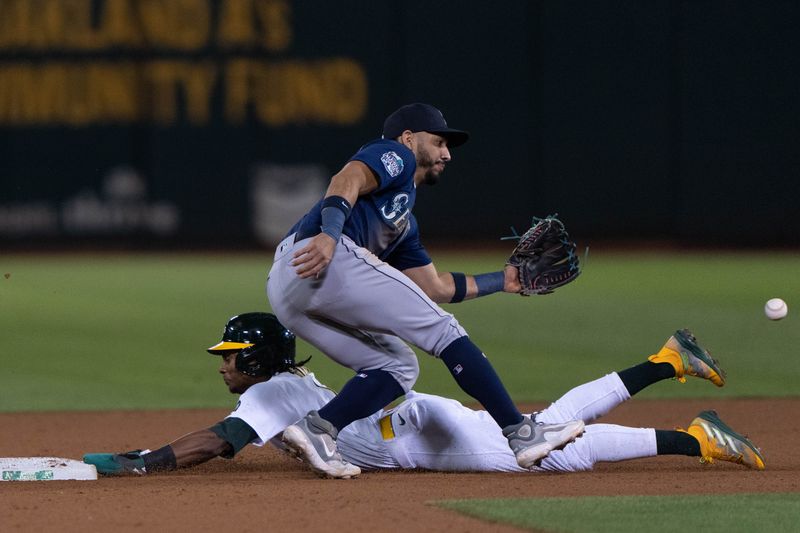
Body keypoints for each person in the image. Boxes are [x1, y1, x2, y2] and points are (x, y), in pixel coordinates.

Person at [266, 103, 583, 479]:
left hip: (291, 290)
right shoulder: (395, 154)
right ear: (408, 138)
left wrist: (506, 280)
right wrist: (330, 236)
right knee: (444, 331)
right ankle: (521, 433)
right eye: (439, 142)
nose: (447, 153)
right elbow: (345, 178)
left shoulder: (402, 223)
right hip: (322, 257)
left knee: (398, 365)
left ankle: (318, 430)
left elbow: (435, 287)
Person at [83, 313, 765, 477]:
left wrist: (144, 462)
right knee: (545, 427)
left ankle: (691, 427)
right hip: (410, 423)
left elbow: (220, 439)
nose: (225, 366)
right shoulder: (285, 386)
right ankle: (670, 369)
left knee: (552, 450)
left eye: (233, 356)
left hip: (412, 434)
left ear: (257, 358)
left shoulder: (273, 392)